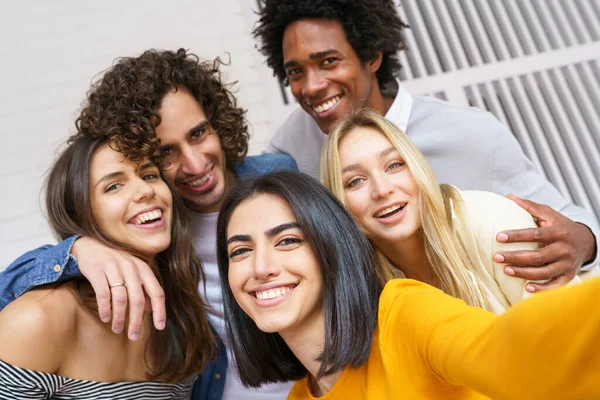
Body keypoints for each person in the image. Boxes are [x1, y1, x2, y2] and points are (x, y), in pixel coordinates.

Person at [0, 49, 297, 399]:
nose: (195, 163)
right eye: (166, 153)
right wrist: (76, 249)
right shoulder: (157, 232)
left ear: (218, 122)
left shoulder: (278, 179)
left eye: (199, 133)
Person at [252, 0, 599, 290]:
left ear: (372, 57)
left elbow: (569, 220)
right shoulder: (292, 147)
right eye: (295, 72)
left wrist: (583, 243)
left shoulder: (468, 133)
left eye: (328, 61)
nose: (311, 87)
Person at [215, 171, 600, 400]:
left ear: (329, 249)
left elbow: (508, 351)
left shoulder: (403, 314)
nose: (261, 267)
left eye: (287, 241)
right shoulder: (301, 397)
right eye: (240, 251)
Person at [0, 134, 215, 398]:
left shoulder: (183, 319)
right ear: (80, 213)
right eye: (113, 186)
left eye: (149, 175)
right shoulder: (38, 319)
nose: (145, 190)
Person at [321, 109, 592, 313]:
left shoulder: (493, 222)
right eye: (355, 181)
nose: (382, 190)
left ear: (418, 168)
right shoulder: (363, 288)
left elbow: (570, 340)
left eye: (394, 165)